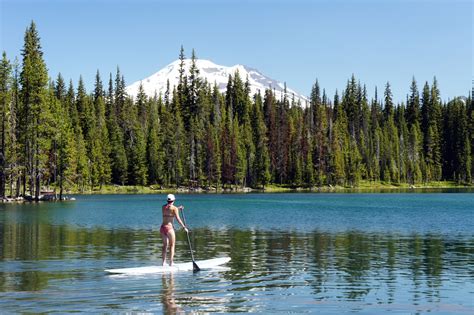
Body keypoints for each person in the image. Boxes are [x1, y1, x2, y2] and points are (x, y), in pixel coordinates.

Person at [161, 194, 188, 267]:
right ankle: (171, 262)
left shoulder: (163, 207)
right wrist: (184, 227)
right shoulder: (174, 208)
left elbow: (170, 210)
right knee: (172, 245)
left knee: (164, 246)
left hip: (162, 228)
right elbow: (178, 219)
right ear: (174, 200)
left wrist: (178, 208)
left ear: (167, 200)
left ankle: (163, 263)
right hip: (169, 228)